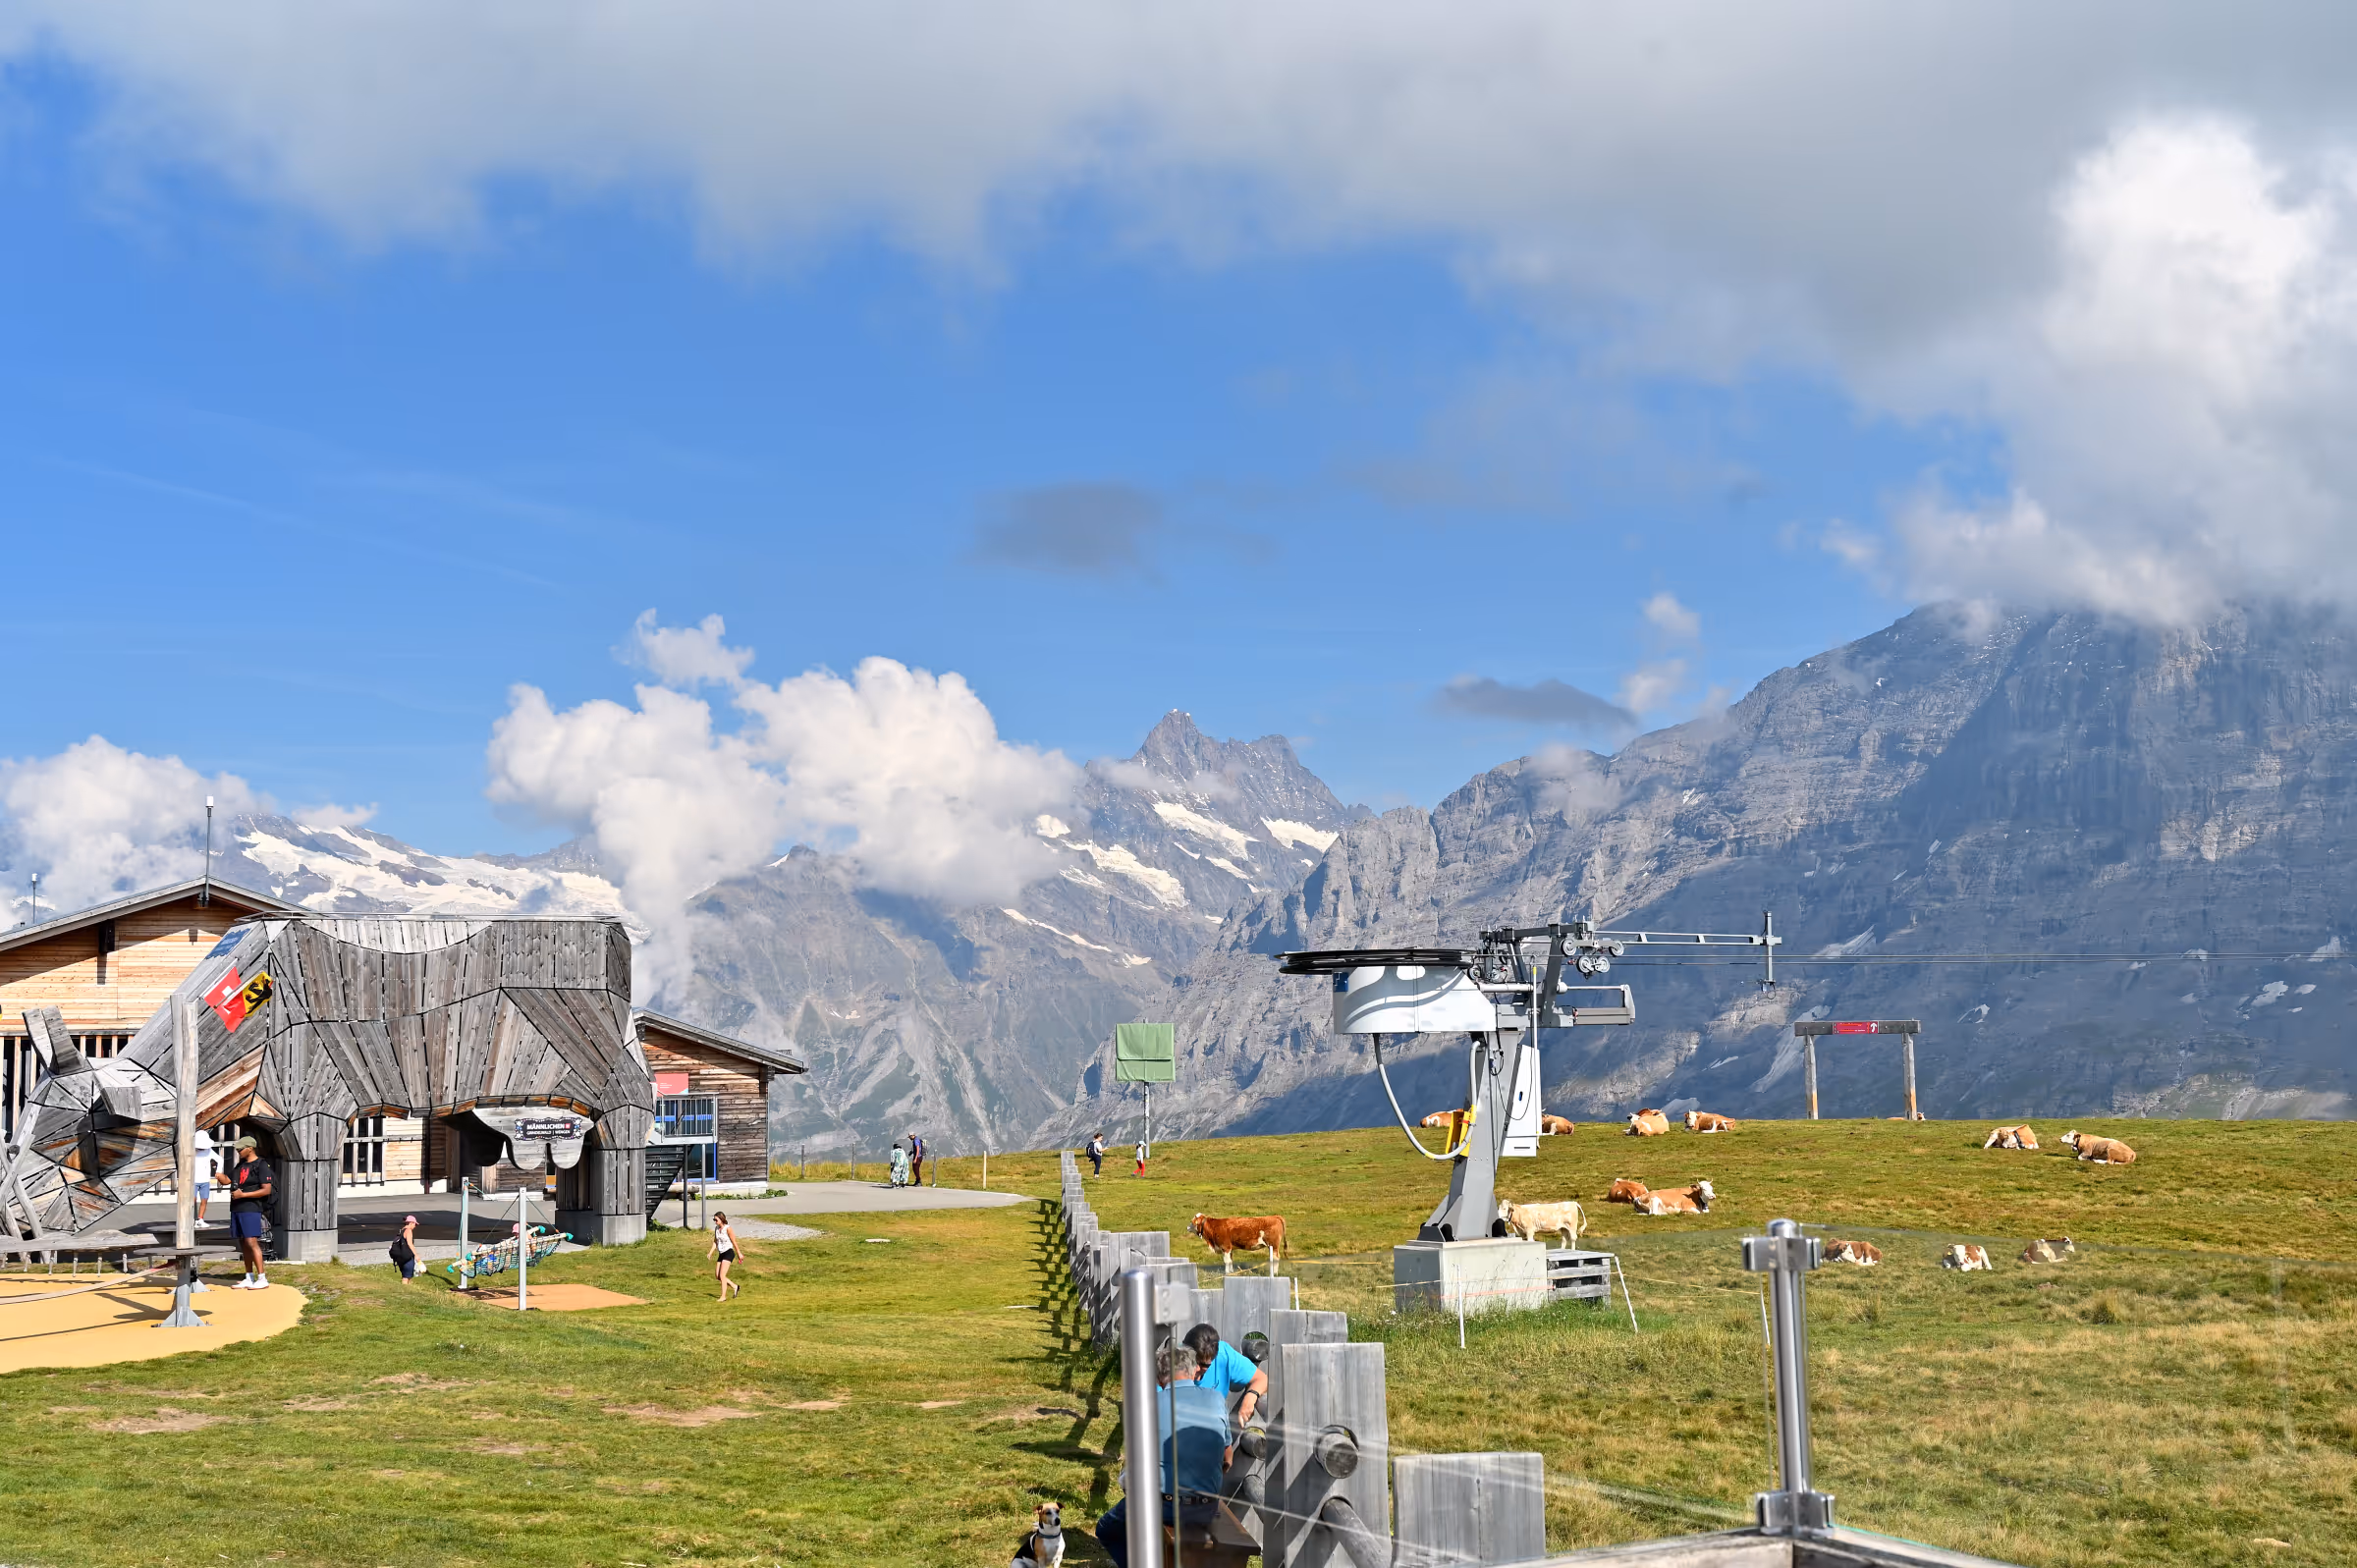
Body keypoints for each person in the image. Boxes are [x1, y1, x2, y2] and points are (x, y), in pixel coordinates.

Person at [1094, 1342, 1231, 1568]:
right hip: (1206, 1506)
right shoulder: (1216, 1399)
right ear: (1193, 1371)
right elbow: (1228, 1458)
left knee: (1106, 1529)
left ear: (1159, 1379)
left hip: (1162, 1506)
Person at [1182, 1323, 1269, 1433]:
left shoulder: (1224, 1355)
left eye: (1204, 1365)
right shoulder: (1169, 1366)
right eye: (1193, 1362)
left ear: (1214, 1358)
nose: (1195, 1369)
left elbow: (1262, 1379)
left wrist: (1251, 1396)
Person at [224, 1135, 274, 1290]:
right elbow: (229, 1180)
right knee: (243, 1243)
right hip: (237, 1208)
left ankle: (262, 1277)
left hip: (251, 1208)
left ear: (250, 1148)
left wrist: (243, 1195)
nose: (238, 1151)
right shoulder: (241, 1165)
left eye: (241, 1148)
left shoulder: (261, 1165)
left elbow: (267, 1189)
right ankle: (248, 1276)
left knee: (252, 1242)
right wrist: (220, 1177)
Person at [709, 1210, 742, 1301]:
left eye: (716, 1220)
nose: (715, 1222)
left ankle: (723, 1297)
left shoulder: (728, 1228)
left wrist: (739, 1253)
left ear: (721, 1219)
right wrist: (710, 1252)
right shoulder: (716, 1229)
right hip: (721, 1253)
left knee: (722, 1276)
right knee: (718, 1276)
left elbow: (734, 1241)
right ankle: (735, 1287)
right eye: (714, 1220)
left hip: (728, 1252)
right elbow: (715, 1242)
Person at [192, 1127, 217, 1225]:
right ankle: (192, 1219)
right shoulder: (191, 1150)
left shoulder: (209, 1150)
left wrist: (218, 1171)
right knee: (192, 1201)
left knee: (204, 1200)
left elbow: (219, 1159)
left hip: (205, 1180)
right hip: (194, 1180)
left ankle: (200, 1219)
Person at [388, 1214, 420, 1283]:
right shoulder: (408, 1231)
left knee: (406, 1275)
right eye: (415, 1224)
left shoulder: (401, 1230)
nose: (415, 1226)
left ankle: (408, 1290)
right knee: (406, 1277)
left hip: (400, 1258)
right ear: (411, 1222)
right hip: (407, 1257)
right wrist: (416, 1255)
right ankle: (404, 1291)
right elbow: (410, 1244)